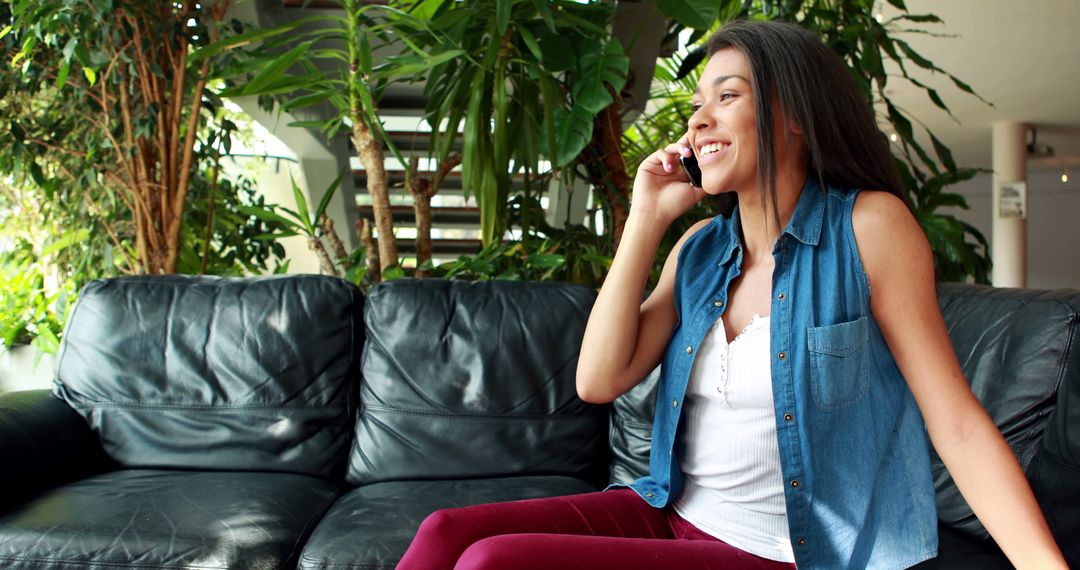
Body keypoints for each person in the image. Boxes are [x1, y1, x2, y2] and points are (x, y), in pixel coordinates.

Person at [396, 19, 1067, 569]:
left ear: (796, 115)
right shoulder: (699, 252)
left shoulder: (868, 227)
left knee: (494, 563)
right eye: (696, 106)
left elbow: (955, 423)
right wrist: (646, 219)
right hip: (670, 513)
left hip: (784, 550)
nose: (699, 122)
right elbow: (598, 380)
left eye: (729, 96)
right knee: (444, 535)